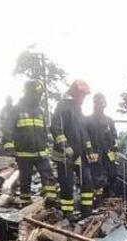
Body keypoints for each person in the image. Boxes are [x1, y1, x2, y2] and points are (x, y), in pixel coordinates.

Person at [3, 81, 58, 207]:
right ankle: (26, 204)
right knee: (25, 180)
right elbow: (7, 128)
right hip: (24, 152)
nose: (39, 97)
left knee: (48, 176)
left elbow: (43, 130)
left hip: (41, 151)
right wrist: (9, 144)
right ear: (29, 93)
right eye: (37, 94)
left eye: (40, 95)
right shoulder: (17, 109)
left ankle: (51, 202)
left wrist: (48, 143)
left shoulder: (39, 111)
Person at [51, 79, 95, 219]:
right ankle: (67, 213)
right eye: (82, 95)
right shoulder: (63, 106)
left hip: (79, 154)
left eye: (85, 96)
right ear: (75, 93)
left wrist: (89, 150)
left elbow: (83, 132)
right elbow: (56, 127)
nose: (83, 98)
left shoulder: (78, 110)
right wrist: (65, 146)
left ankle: (86, 211)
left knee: (87, 181)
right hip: (65, 155)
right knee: (67, 184)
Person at [85, 93, 118, 198]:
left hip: (108, 154)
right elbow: (85, 138)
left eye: (103, 105)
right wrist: (89, 151)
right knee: (97, 179)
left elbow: (114, 136)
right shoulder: (88, 120)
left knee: (113, 175)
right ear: (94, 104)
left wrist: (115, 146)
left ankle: (108, 195)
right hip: (95, 154)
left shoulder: (109, 120)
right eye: (99, 104)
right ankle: (97, 201)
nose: (101, 108)